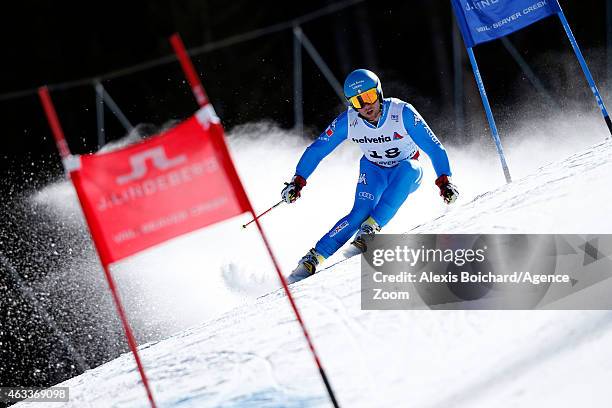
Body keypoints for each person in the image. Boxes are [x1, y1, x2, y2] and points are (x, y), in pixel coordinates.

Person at [281, 69, 458, 284]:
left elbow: (433, 147)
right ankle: (314, 257)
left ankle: (371, 227)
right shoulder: (349, 120)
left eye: (369, 97)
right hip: (373, 171)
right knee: (360, 212)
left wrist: (444, 180)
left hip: (405, 173)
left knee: (409, 168)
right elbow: (318, 150)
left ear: (379, 93)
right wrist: (298, 181)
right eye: (358, 101)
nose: (366, 106)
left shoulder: (402, 112)